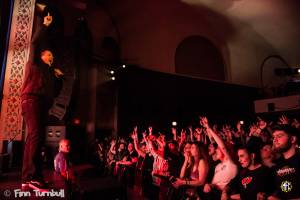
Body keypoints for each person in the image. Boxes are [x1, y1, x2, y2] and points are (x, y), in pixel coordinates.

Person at [21, 12, 64, 191]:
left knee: (33, 137)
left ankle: (26, 177)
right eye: (47, 55)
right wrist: (45, 25)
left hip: (40, 103)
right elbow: (34, 43)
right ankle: (33, 176)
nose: (50, 57)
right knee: (36, 136)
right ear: (41, 56)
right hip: (32, 100)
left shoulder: (48, 74)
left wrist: (59, 80)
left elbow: (54, 95)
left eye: (51, 56)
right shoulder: (34, 63)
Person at [268, 125, 300, 200]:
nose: (274, 140)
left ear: (292, 139)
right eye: (273, 137)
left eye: (279, 136)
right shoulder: (277, 165)